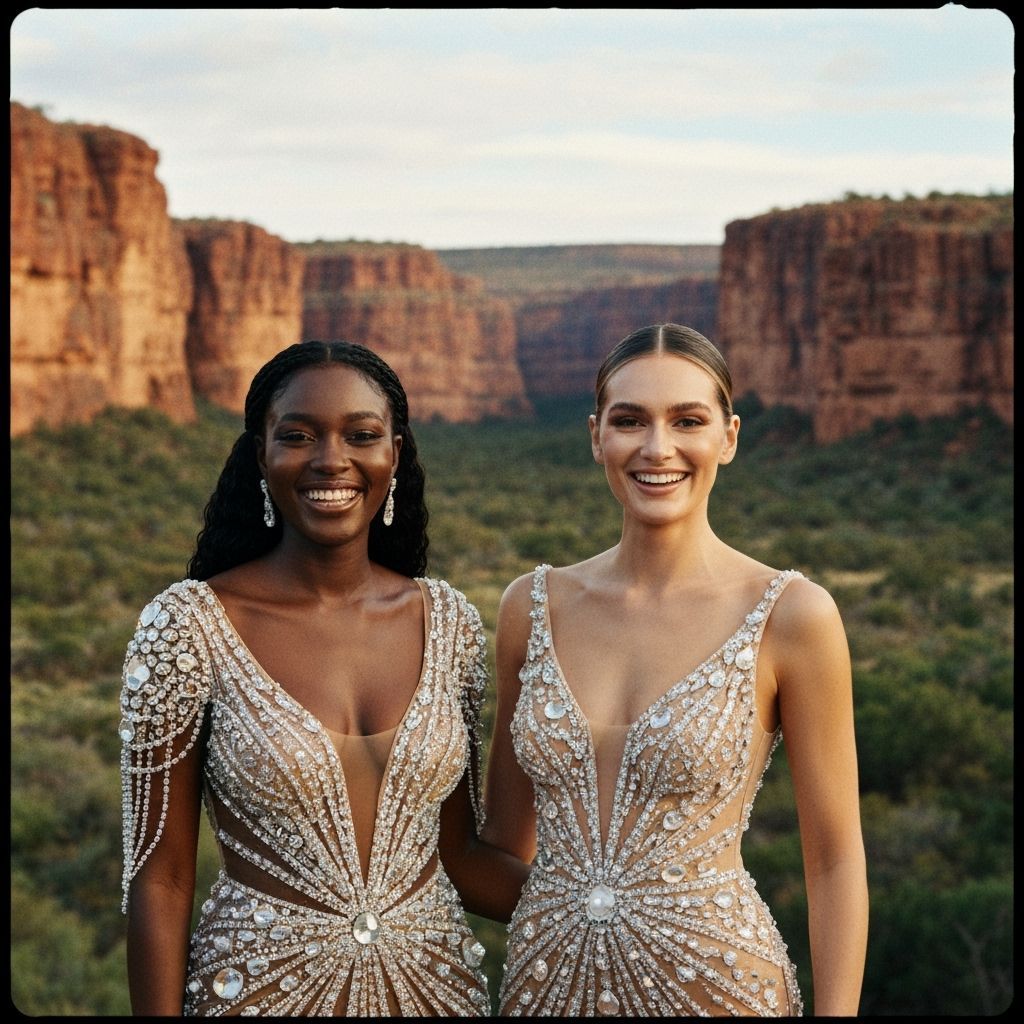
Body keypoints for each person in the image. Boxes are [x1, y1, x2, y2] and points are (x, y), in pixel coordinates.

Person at [119, 340, 528, 1016]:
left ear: (394, 453)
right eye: (298, 436)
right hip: (255, 997)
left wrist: (610, 907)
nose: (331, 460)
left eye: (360, 435)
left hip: (438, 996)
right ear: (261, 455)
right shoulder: (188, 626)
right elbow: (160, 881)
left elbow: (459, 856)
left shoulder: (448, 623)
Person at [482, 324, 868, 1017]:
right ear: (596, 435)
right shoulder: (531, 607)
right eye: (630, 421)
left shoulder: (792, 615)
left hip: (719, 990)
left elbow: (835, 859)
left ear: (729, 437)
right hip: (545, 993)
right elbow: (503, 849)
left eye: (687, 420)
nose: (657, 448)